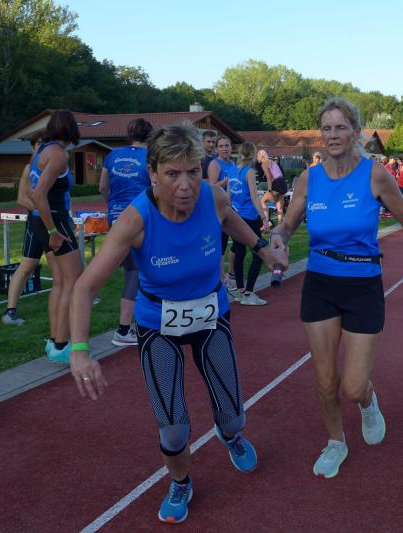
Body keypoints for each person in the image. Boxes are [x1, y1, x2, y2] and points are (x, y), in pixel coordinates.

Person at [67, 123, 288, 524]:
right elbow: (84, 287)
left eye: (192, 171)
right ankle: (181, 481)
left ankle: (230, 435)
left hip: (210, 316)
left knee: (233, 416)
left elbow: (230, 219)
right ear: (152, 173)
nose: (185, 185)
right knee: (173, 429)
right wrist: (80, 350)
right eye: (172, 174)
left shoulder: (212, 196)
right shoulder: (135, 219)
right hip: (158, 325)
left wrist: (262, 249)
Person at [270, 97, 403, 479]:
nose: (332, 134)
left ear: (355, 132)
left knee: (352, 385)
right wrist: (278, 238)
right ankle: (336, 442)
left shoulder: (374, 175)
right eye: (326, 128)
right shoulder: (308, 179)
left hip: (362, 285)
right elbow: (288, 224)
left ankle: (367, 401)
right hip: (320, 283)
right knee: (324, 378)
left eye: (340, 127)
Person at [27, 110, 82, 363]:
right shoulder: (59, 155)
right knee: (73, 281)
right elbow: (38, 194)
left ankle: (54, 340)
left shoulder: (41, 150)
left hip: (40, 220)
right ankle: (61, 344)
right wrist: (53, 231)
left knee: (60, 281)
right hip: (54, 221)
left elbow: (32, 191)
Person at [99, 118, 153, 346]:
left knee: (131, 270)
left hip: (116, 216)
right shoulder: (150, 157)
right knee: (137, 272)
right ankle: (124, 329)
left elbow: (103, 187)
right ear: (149, 136)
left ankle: (136, 322)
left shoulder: (112, 155)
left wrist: (113, 206)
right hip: (140, 217)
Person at [2, 132, 52, 327]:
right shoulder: (29, 168)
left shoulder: (54, 165)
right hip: (37, 223)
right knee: (26, 267)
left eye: (45, 144)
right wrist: (42, 211)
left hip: (52, 222)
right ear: (33, 147)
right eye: (39, 144)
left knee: (63, 266)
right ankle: (10, 311)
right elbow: (21, 199)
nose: (42, 147)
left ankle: (77, 300)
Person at [230, 142, 270, 305]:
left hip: (236, 217)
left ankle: (240, 291)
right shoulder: (250, 172)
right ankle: (248, 292)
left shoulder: (232, 170)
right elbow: (254, 197)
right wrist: (264, 217)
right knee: (259, 254)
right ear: (253, 155)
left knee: (239, 253)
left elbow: (228, 196)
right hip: (250, 218)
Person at [207, 136, 236, 289]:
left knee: (237, 241)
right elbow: (211, 187)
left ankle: (230, 274)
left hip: (231, 207)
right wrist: (226, 181)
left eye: (227, 145)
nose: (224, 148)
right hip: (217, 208)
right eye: (221, 146)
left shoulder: (232, 164)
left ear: (231, 147)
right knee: (220, 243)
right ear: (217, 149)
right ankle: (221, 277)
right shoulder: (215, 164)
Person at [259, 149, 288, 226]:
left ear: (261, 156)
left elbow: (269, 178)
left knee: (262, 201)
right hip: (283, 183)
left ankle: (267, 223)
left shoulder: (264, 163)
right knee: (279, 207)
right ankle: (280, 226)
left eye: (258, 156)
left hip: (277, 183)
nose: (257, 157)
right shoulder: (272, 162)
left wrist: (269, 190)